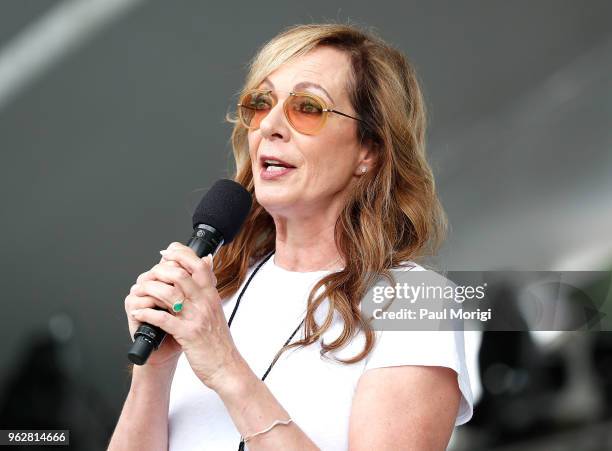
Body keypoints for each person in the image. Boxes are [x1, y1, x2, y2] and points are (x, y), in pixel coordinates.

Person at [108, 23, 473, 451]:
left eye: (308, 108)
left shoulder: (417, 300)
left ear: (368, 150)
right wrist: (155, 370)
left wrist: (225, 366)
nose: (270, 126)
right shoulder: (214, 293)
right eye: (261, 103)